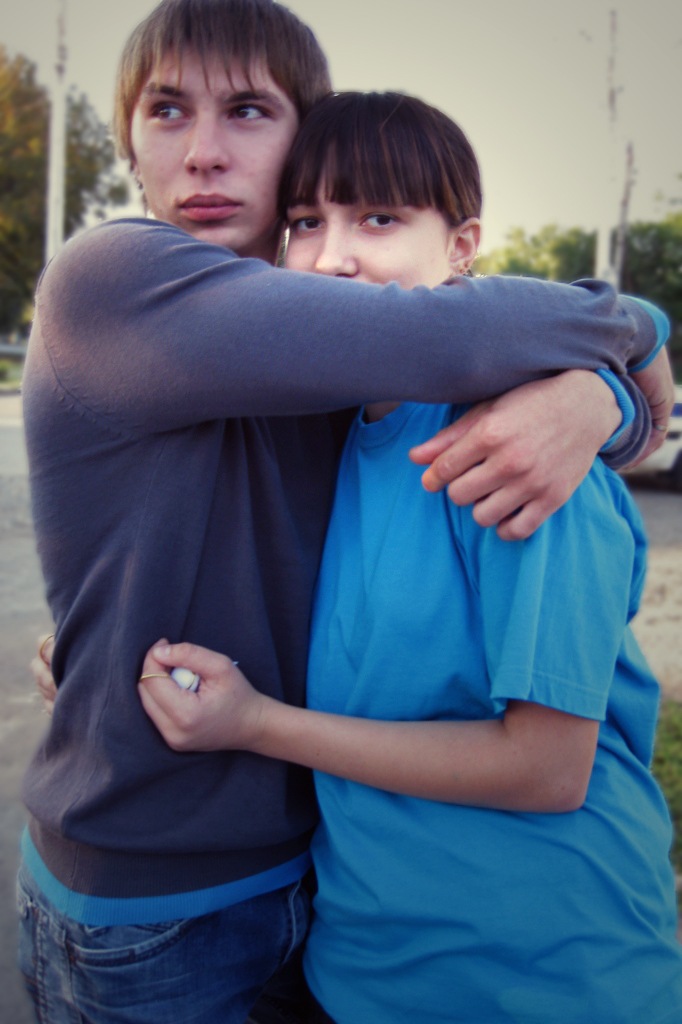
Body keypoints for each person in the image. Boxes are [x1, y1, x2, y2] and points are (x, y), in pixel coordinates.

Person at [19, 0, 673, 1020]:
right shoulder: (114, 277)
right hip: (160, 907)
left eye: (247, 110)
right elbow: (450, 334)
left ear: (299, 135)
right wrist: (628, 331)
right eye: (166, 111)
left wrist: (598, 400)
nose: (203, 152)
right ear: (129, 144)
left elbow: (444, 342)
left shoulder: (345, 377)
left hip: (333, 896)